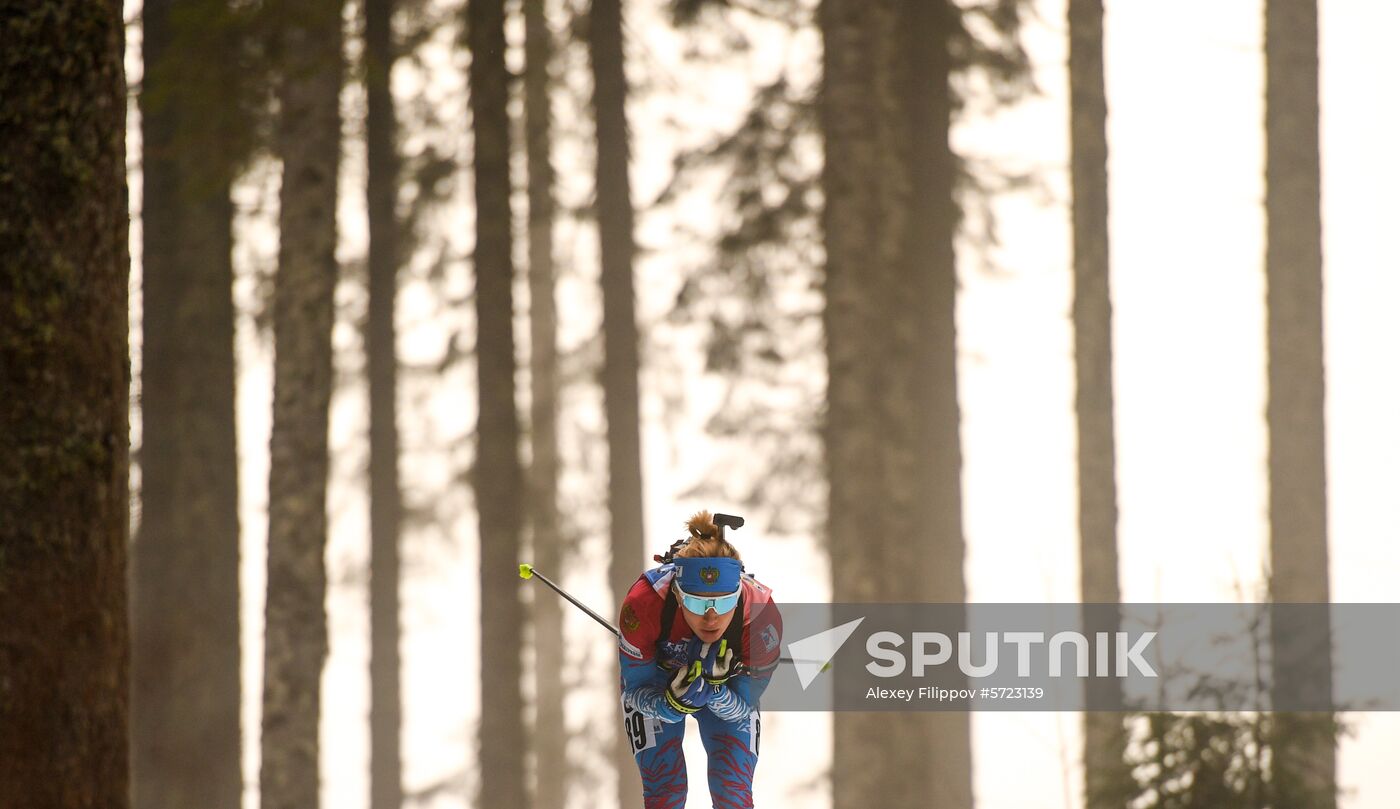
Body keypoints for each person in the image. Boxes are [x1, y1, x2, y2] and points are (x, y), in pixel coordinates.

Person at [617, 511, 784, 809]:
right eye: (697, 602)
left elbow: (741, 707)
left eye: (724, 602)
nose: (711, 616)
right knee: (665, 792)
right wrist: (669, 704)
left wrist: (717, 690)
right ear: (678, 595)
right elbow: (634, 690)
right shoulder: (644, 604)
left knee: (732, 794)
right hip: (658, 679)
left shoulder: (761, 617)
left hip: (729, 684)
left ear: (739, 592)